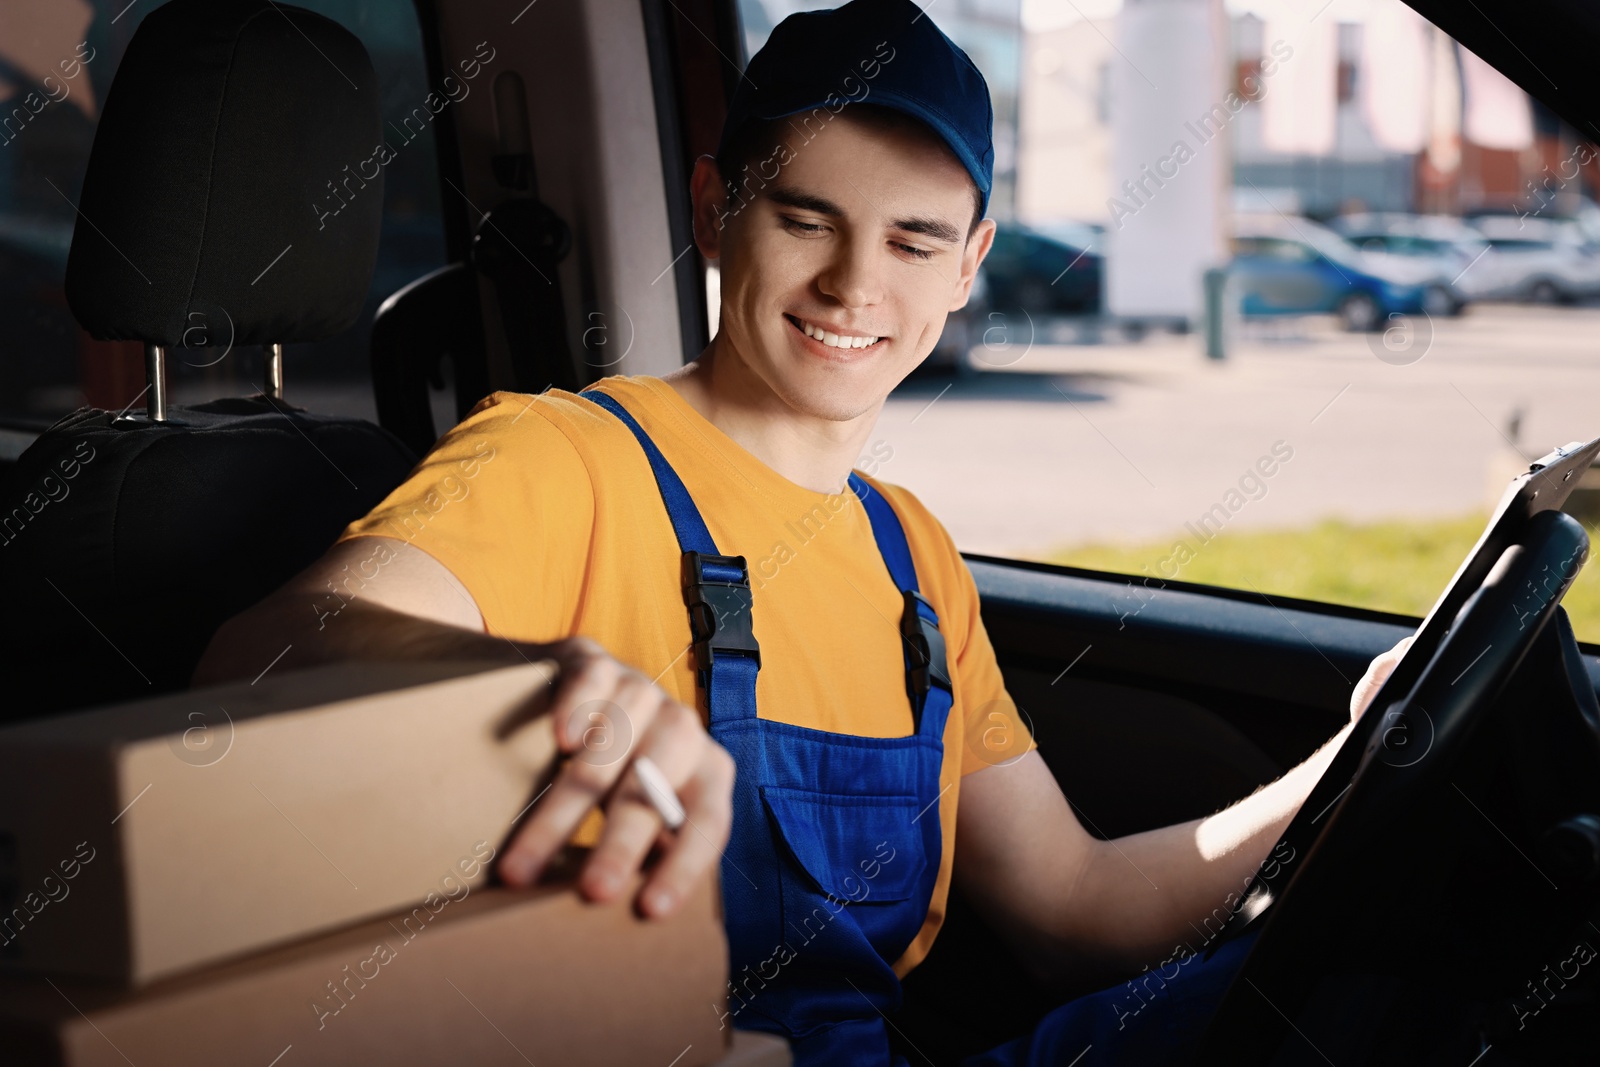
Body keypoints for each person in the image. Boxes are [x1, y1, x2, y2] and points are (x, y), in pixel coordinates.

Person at [194, 1, 1409, 1062]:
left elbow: (1070, 904)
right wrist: (523, 680)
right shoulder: (565, 457)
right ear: (718, 208)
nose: (852, 286)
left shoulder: (912, 558)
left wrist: (1360, 752)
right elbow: (264, 652)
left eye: (914, 240)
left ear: (971, 263)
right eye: (806, 218)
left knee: (1371, 994)